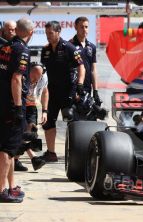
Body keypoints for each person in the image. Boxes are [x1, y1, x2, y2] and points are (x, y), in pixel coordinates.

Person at [41, 21, 85, 162]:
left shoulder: (70, 48)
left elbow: (81, 67)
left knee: (71, 123)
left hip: (68, 92)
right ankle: (51, 153)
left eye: (51, 33)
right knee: (48, 123)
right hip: (52, 92)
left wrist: (79, 85)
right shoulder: (45, 50)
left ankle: (74, 155)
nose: (48, 36)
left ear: (58, 32)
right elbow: (43, 71)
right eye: (46, 33)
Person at [0, 18, 34, 203]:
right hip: (11, 104)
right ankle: (2, 189)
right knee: (7, 146)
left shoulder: (6, 46)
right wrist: (19, 107)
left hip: (2, 101)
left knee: (10, 148)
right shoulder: (22, 50)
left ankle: (11, 186)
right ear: (30, 32)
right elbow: (16, 79)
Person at [21, 62, 48, 171]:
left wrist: (45, 111)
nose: (35, 79)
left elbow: (45, 92)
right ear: (28, 71)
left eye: (38, 76)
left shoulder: (43, 78)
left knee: (31, 133)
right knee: (21, 133)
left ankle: (26, 159)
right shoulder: (21, 75)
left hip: (32, 105)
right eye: (33, 76)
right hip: (19, 105)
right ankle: (34, 158)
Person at [69, 17, 101, 104]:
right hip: (74, 88)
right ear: (75, 27)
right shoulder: (69, 45)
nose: (84, 29)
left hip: (87, 88)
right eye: (81, 27)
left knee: (89, 116)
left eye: (86, 27)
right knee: (73, 116)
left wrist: (95, 91)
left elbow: (93, 70)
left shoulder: (92, 47)